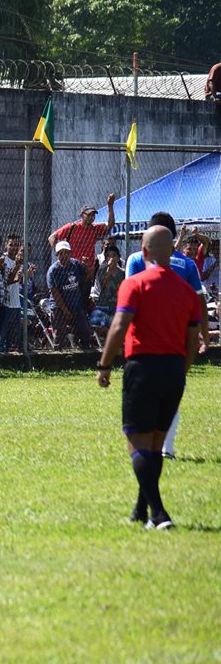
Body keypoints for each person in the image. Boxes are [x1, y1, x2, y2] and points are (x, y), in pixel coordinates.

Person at [97, 226, 200, 530]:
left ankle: (159, 513)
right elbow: (192, 341)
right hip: (174, 371)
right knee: (155, 445)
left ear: (144, 253)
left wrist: (104, 365)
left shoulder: (136, 284)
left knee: (137, 443)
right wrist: (182, 371)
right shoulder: (186, 291)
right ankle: (140, 511)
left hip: (142, 367)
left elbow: (118, 327)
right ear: (173, 252)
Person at [124, 211, 207, 459]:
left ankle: (144, 449)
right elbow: (200, 300)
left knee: (143, 395)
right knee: (171, 392)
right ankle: (166, 449)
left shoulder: (136, 260)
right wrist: (204, 334)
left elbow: (130, 294)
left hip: (144, 339)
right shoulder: (188, 264)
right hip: (177, 338)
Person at [48, 195, 116, 284]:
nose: (91, 217)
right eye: (89, 215)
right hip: (72, 268)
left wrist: (110, 206)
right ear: (81, 215)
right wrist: (60, 252)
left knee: (85, 294)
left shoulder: (94, 228)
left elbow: (110, 225)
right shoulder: (72, 227)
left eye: (93, 215)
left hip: (88, 269)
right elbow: (52, 237)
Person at [46, 241, 94, 349]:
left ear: (70, 253)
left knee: (85, 332)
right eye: (61, 253)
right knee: (60, 335)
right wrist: (65, 311)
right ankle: (59, 358)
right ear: (57, 255)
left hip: (75, 304)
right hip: (59, 306)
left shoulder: (76, 264)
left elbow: (87, 278)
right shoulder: (53, 270)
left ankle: (84, 355)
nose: (64, 256)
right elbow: (55, 293)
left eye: (66, 253)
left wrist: (87, 267)